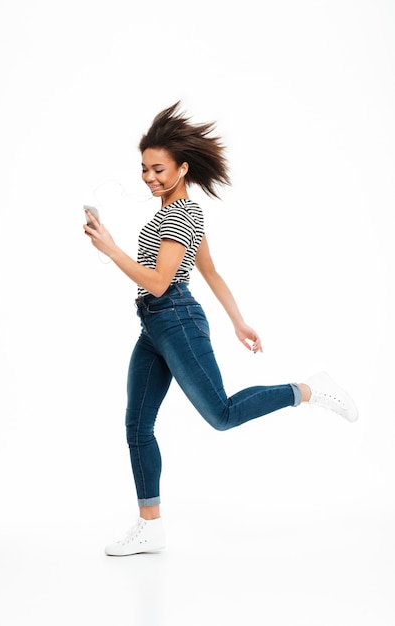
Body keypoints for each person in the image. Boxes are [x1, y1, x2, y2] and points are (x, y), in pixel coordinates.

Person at [83, 101, 358, 557]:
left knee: (222, 415)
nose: (148, 178)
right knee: (137, 426)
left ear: (181, 168)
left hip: (176, 320)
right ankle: (149, 526)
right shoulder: (180, 213)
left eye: (157, 169)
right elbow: (208, 271)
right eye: (144, 170)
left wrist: (111, 247)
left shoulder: (179, 215)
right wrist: (239, 321)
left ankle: (308, 389)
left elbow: (159, 281)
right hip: (154, 325)